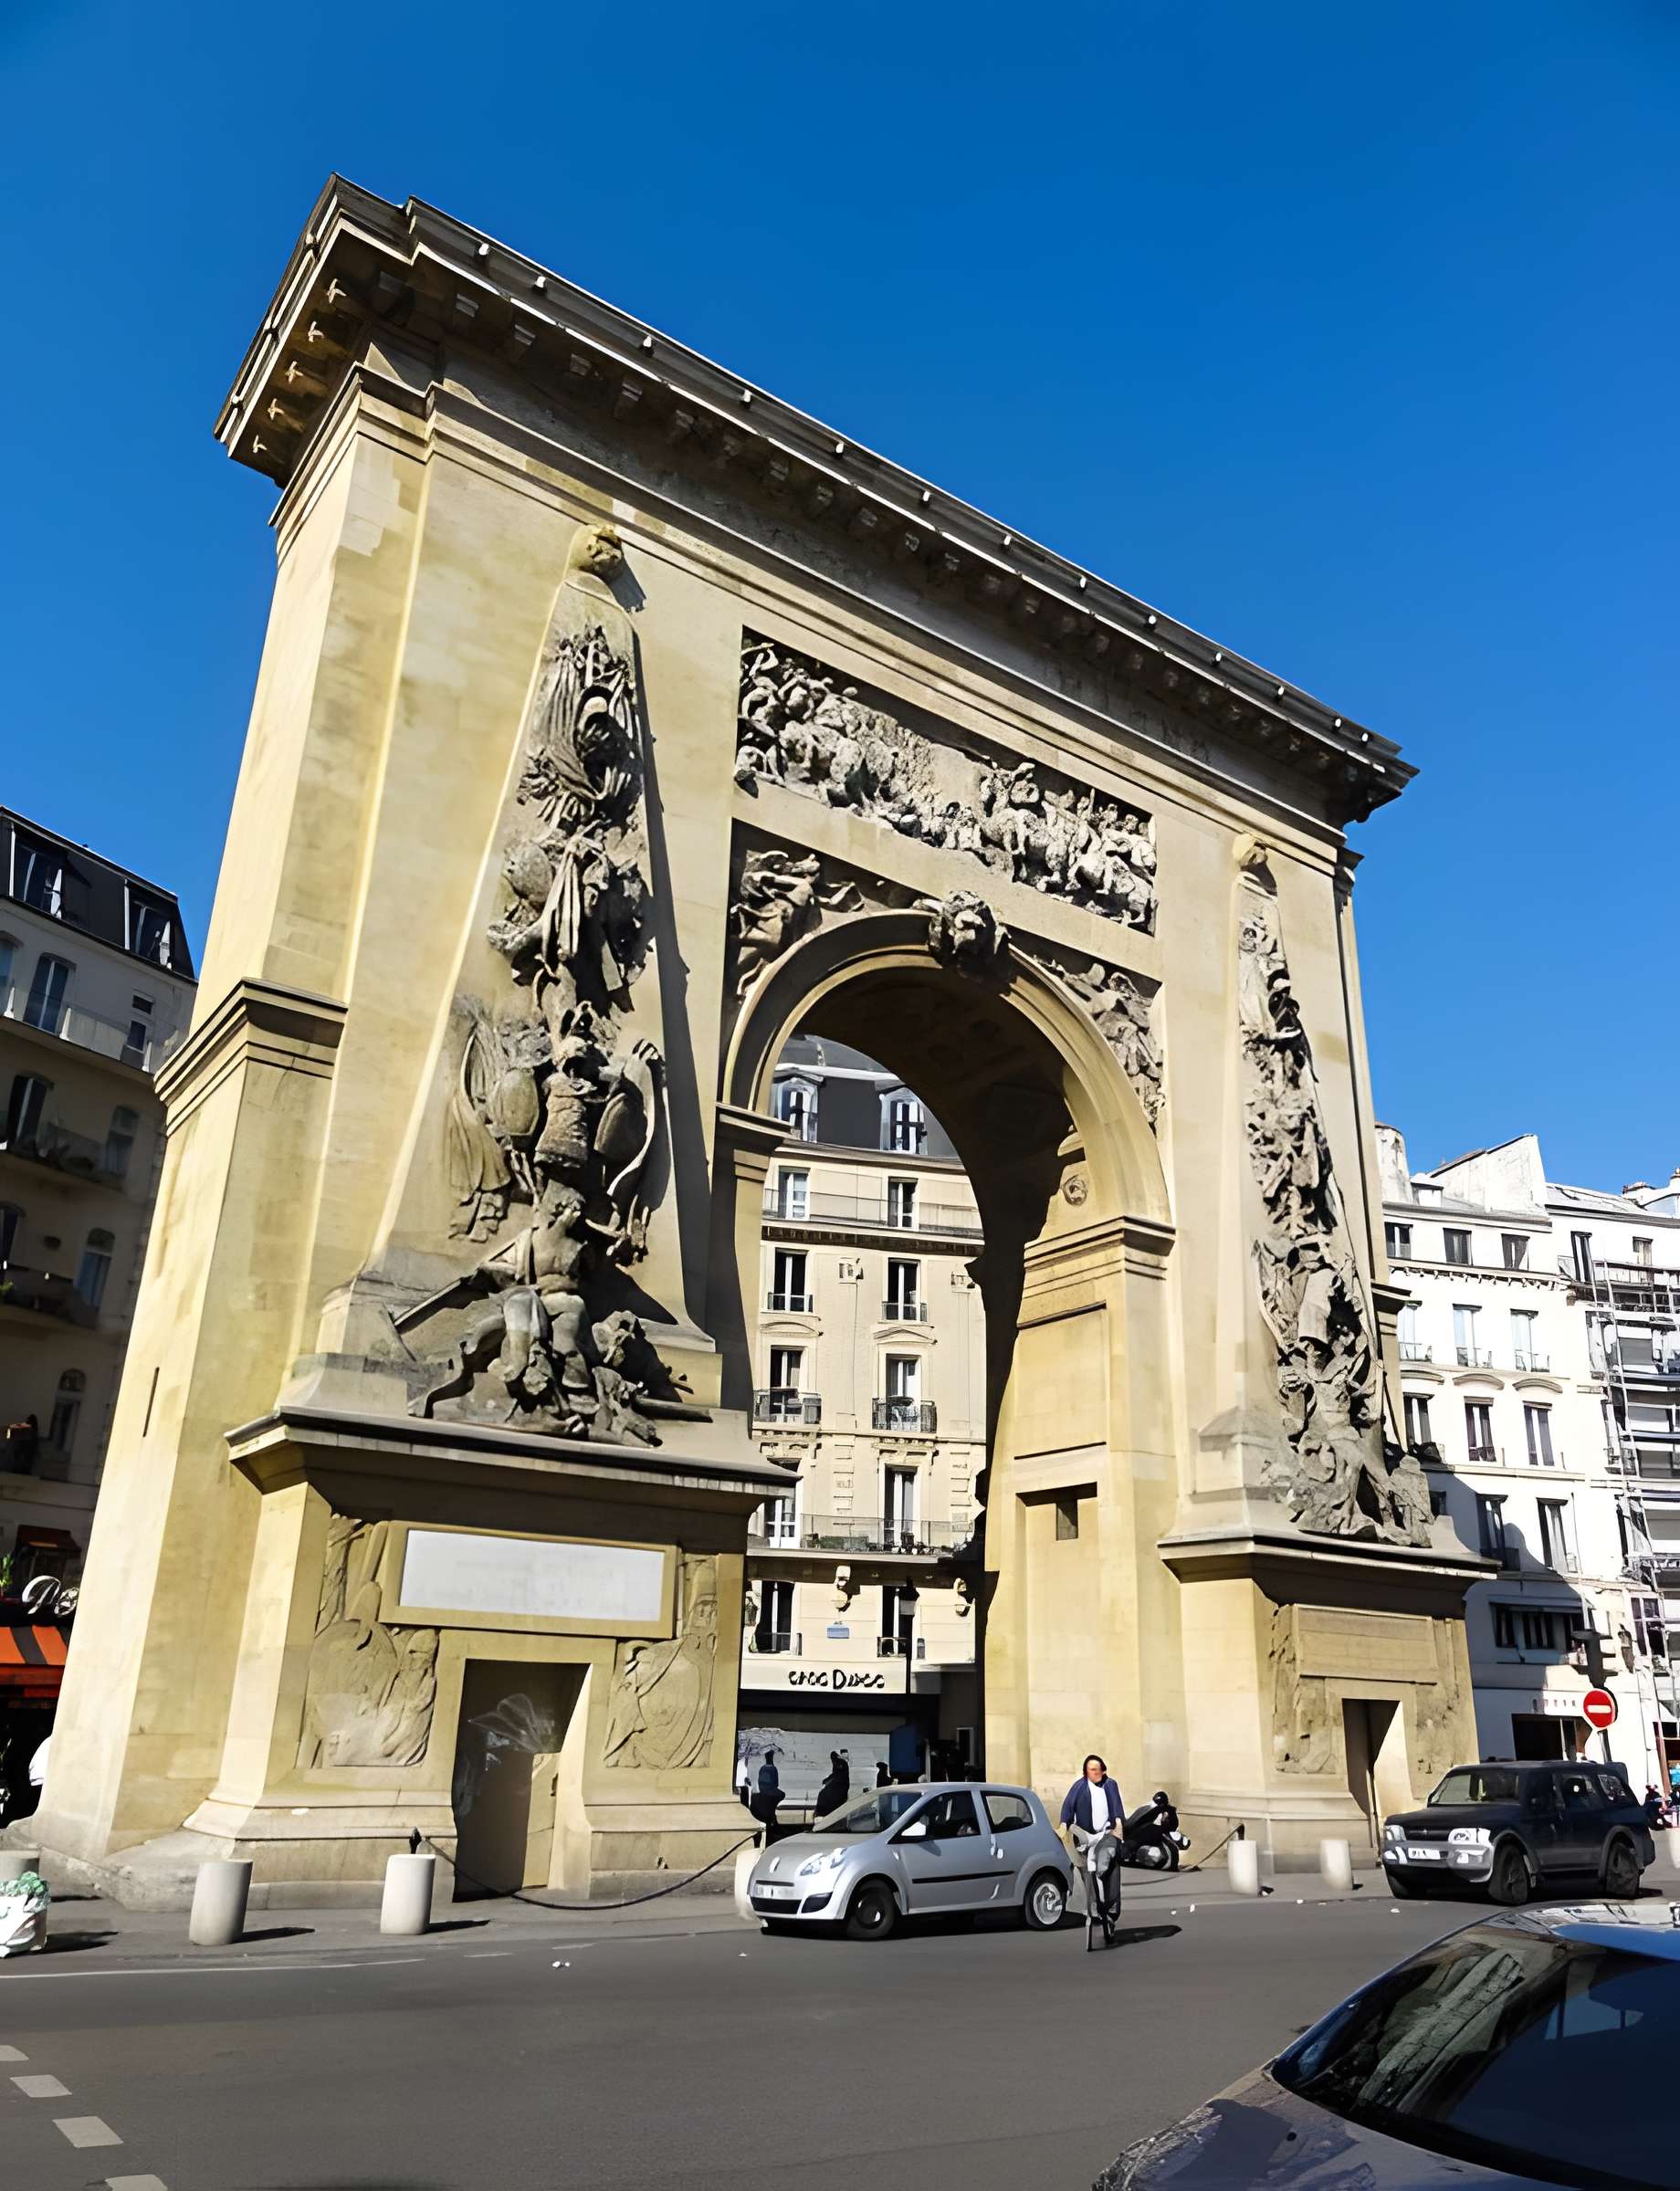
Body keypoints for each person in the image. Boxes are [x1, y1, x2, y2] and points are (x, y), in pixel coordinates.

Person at [1060, 1753, 1126, 1939]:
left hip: (1107, 1834)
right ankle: (1093, 1906)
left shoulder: (1110, 1785)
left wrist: (1118, 1825)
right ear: (1086, 1772)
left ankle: (1111, 1913)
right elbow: (1067, 1807)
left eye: (1098, 1769)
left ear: (1104, 1770)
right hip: (1086, 1837)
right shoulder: (1079, 1787)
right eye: (1092, 1769)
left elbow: (1117, 1808)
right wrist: (1064, 1825)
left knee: (1110, 1861)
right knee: (1083, 1870)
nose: (1096, 1773)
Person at [814, 1749, 849, 1821]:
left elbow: (838, 1774)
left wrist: (829, 1780)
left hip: (841, 1784)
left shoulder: (841, 1763)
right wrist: (827, 1780)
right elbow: (835, 1774)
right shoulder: (837, 1763)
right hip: (837, 1783)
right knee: (824, 1794)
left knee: (825, 1794)